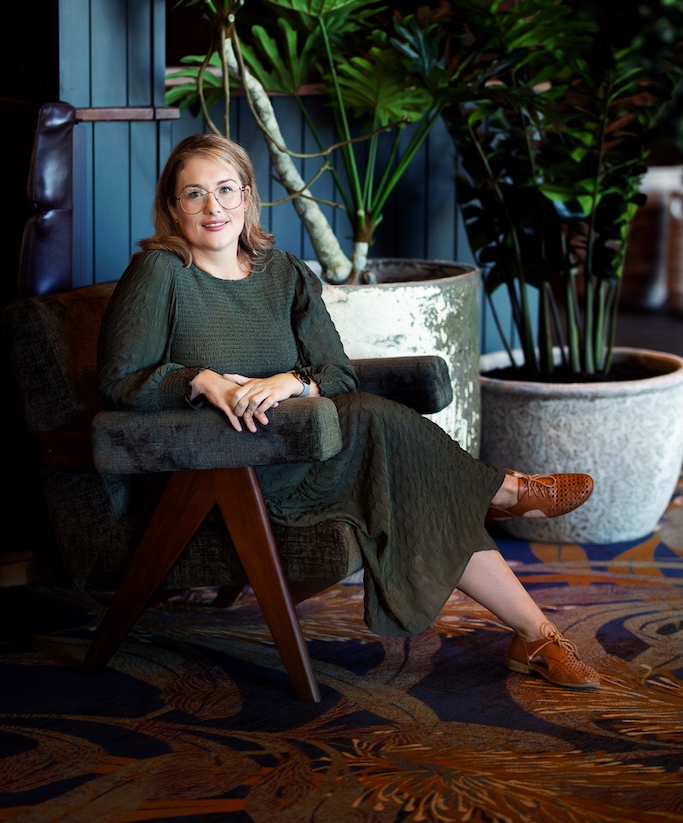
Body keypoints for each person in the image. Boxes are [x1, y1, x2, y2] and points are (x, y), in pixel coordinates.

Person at [98, 133, 601, 691]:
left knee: (416, 477)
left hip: (308, 456)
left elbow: (338, 373)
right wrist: (199, 379)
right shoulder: (160, 271)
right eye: (194, 194)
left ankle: (536, 634)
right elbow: (119, 383)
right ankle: (502, 492)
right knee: (369, 420)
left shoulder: (283, 272)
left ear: (247, 197)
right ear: (173, 208)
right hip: (219, 474)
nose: (212, 207)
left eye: (225, 190)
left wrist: (292, 381)